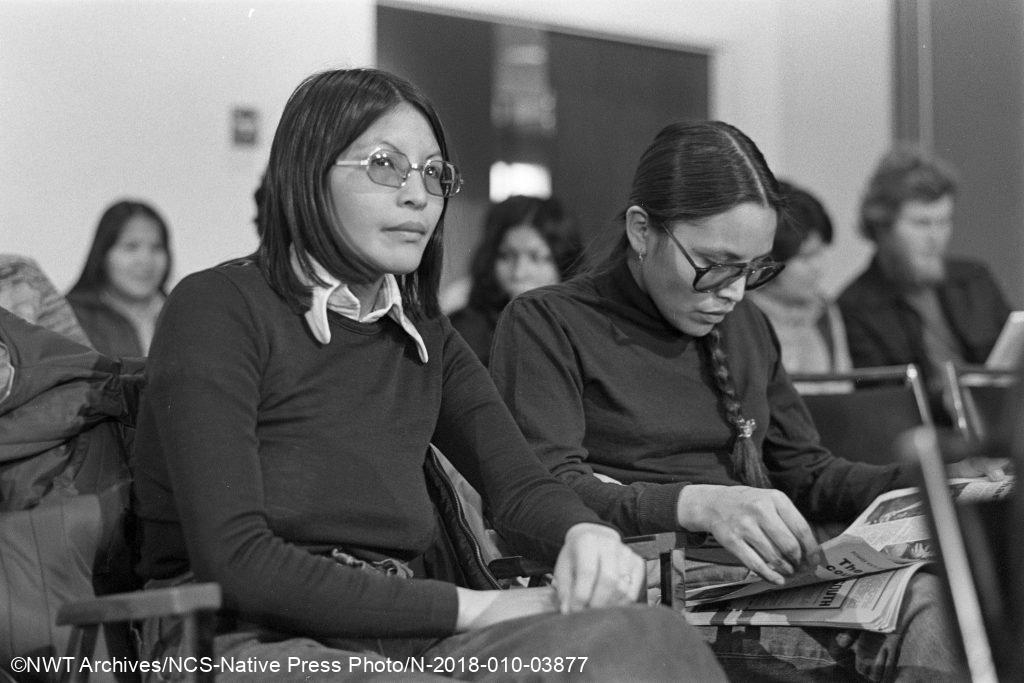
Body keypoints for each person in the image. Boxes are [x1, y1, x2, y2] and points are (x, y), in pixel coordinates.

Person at [131, 68, 722, 679]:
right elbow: (238, 561)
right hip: (246, 640)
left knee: (648, 634)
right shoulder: (217, 306)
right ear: (306, 173)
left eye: (435, 174)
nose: (419, 196)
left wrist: (583, 532)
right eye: (385, 165)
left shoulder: (424, 333)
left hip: (406, 635)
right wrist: (478, 607)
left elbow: (520, 486)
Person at [489, 121, 1000, 681]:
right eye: (715, 263)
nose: (733, 292)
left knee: (939, 604)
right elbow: (539, 492)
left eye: (753, 269)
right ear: (641, 230)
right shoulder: (547, 323)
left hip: (754, 582)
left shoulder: (745, 326)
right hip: (643, 589)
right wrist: (699, 503)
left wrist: (941, 480)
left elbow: (806, 472)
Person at [837, 147, 1011, 418]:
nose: (936, 237)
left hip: (1000, 422)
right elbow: (880, 402)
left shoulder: (975, 279)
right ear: (883, 226)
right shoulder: (855, 307)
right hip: (925, 437)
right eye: (922, 223)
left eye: (943, 222)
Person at [450, 195, 582, 365]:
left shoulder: (582, 331)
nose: (519, 273)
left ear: (564, 262)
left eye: (536, 257)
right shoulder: (465, 333)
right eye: (507, 256)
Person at [747, 181, 852, 380]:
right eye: (805, 258)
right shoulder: (740, 316)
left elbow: (845, 390)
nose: (818, 268)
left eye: (820, 253)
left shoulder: (825, 314)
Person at [66, 200, 172, 357]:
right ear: (103, 255)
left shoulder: (184, 315)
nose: (146, 260)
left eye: (156, 247)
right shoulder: (70, 318)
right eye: (131, 247)